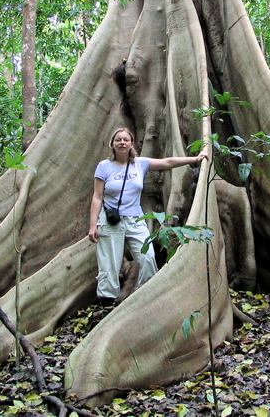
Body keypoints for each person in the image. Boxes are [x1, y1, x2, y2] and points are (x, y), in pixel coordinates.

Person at [88, 127, 207, 304]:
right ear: (112, 144)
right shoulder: (104, 167)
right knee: (109, 264)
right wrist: (93, 225)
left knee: (148, 257)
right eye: (118, 140)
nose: (122, 142)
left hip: (136, 220)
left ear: (131, 143)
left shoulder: (140, 163)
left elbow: (167, 162)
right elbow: (97, 197)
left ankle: (144, 298)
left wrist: (195, 159)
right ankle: (106, 305)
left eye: (125, 139)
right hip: (111, 221)